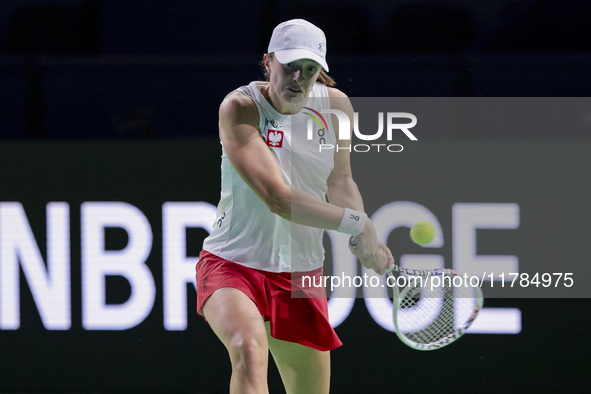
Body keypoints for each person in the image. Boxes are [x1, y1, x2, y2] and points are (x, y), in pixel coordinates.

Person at [196, 19, 394, 394]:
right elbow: (277, 197)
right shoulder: (240, 108)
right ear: (268, 62)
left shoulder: (336, 108)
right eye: (290, 66)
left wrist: (367, 241)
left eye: (310, 69)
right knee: (248, 349)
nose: (299, 79)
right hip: (234, 266)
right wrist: (357, 223)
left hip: (301, 276)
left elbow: (340, 181)